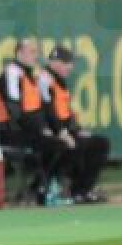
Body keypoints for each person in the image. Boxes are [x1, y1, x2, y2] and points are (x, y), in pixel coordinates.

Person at [0, 39, 73, 205]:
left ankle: (42, 187)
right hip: (11, 131)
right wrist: (40, 130)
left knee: (59, 144)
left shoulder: (28, 76)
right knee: (55, 145)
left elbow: (38, 109)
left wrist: (46, 128)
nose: (35, 56)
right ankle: (40, 188)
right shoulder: (13, 73)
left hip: (27, 129)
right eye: (31, 52)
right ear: (19, 53)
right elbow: (14, 110)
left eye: (36, 52)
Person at [38, 46, 109, 204]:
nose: (71, 66)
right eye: (67, 62)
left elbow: (65, 113)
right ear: (55, 63)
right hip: (50, 132)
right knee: (74, 145)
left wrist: (76, 129)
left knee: (100, 143)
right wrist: (62, 132)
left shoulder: (60, 81)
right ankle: (58, 189)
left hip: (64, 130)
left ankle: (82, 190)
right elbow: (46, 110)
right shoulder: (44, 79)